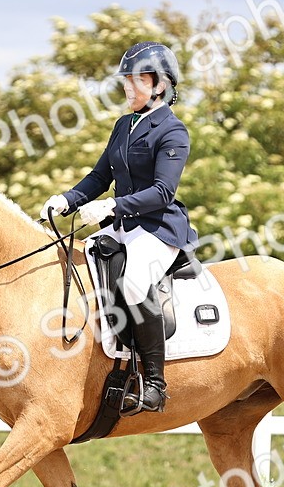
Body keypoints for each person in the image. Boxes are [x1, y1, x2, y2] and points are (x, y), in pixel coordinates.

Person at [40, 41, 197, 414]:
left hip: (158, 228)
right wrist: (67, 199)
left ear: (160, 84)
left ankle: (155, 384)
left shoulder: (173, 131)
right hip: (122, 225)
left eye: (136, 80)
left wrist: (112, 205)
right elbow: (100, 176)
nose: (127, 87)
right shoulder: (123, 125)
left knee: (134, 282)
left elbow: (163, 191)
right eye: (126, 80)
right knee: (76, 263)